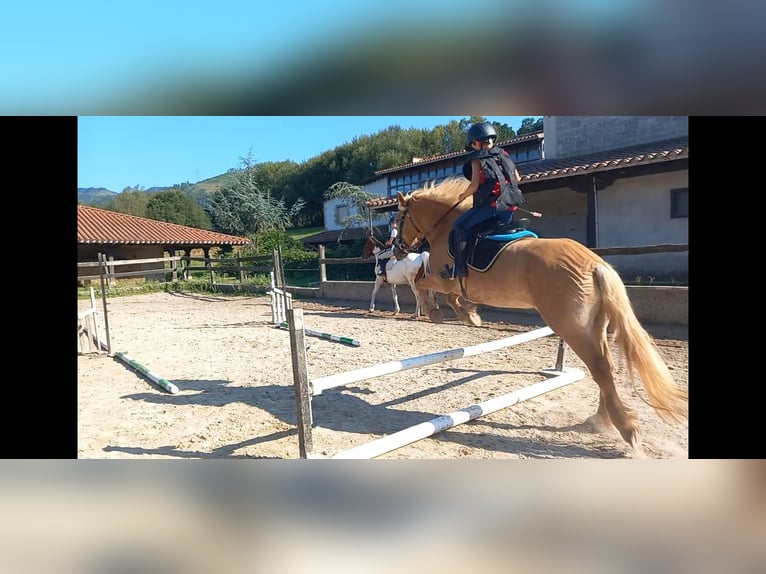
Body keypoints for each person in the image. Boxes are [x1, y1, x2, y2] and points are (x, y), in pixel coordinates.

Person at [446, 121, 526, 278]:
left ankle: (459, 268)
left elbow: (474, 185)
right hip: (511, 206)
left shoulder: (476, 159)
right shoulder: (504, 154)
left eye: (473, 144)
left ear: (477, 142)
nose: (473, 147)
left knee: (459, 226)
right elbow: (517, 177)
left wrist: (462, 196)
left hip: (492, 206)